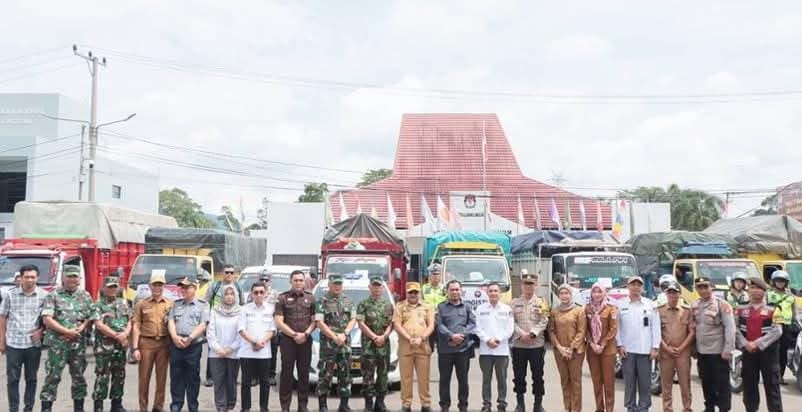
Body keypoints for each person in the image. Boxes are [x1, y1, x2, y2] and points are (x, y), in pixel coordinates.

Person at [39, 265, 97, 412]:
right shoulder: (53, 295)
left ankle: (79, 408)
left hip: (78, 344)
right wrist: (66, 331)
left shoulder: (85, 295)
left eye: (74, 277)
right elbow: (47, 319)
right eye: (69, 276)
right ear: (63, 278)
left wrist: (82, 327)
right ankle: (46, 408)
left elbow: (91, 316)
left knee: (78, 377)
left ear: (79, 279)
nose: (72, 279)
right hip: (58, 344)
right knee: (53, 377)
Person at [0, 264, 46, 412]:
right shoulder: (10, 295)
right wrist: (2, 340)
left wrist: (41, 331)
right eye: (26, 277)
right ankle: (13, 408)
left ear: (37, 278)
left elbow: (48, 318)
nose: (29, 280)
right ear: (21, 278)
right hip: (13, 344)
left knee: (31, 379)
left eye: (33, 277)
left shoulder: (44, 296)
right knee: (13, 379)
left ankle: (28, 408)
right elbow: (3, 317)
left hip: (33, 345)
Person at [735, 277, 784, 412]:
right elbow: (735, 328)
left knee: (772, 386)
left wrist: (757, 344)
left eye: (758, 288)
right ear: (748, 291)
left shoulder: (773, 308)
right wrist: (745, 344)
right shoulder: (740, 308)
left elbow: (777, 330)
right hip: (748, 353)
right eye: (752, 288)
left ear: (764, 291)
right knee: (749, 386)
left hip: (768, 354)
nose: (755, 291)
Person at [616, 276, 660, 412]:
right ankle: (630, 407)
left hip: (645, 350)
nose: (635, 287)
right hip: (627, 350)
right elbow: (617, 327)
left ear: (642, 287)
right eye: (632, 284)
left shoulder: (650, 304)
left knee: (645, 382)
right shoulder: (621, 305)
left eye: (638, 285)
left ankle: (644, 407)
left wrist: (655, 347)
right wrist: (620, 344)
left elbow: (656, 327)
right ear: (628, 286)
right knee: (629, 382)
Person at [274, 270, 316, 412]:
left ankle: (302, 406)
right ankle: (285, 407)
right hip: (288, 341)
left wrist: (305, 334)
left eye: (300, 280)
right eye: (295, 280)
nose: (298, 283)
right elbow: (279, 321)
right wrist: (294, 335)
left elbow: (315, 321)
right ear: (290, 281)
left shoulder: (311, 298)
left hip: (305, 340)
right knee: (287, 374)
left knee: (304, 374)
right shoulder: (282, 298)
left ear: (304, 282)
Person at [692, 276, 736, 412]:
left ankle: (723, 408)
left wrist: (728, 349)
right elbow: (693, 328)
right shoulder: (694, 305)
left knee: (722, 384)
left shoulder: (722, 304)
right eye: (700, 287)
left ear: (712, 287)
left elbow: (730, 328)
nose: (703, 290)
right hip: (702, 352)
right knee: (706, 382)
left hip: (718, 352)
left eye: (706, 287)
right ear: (696, 289)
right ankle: (709, 407)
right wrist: (693, 349)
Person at [314, 274, 356, 412]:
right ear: (329, 285)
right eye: (335, 284)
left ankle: (344, 404)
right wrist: (334, 336)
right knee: (325, 375)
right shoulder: (322, 301)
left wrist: (344, 334)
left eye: (339, 284)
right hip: (328, 345)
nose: (337, 286)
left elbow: (353, 320)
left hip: (344, 344)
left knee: (345, 375)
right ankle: (323, 405)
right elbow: (319, 322)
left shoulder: (348, 301)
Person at [132, 272, 173, 412]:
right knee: (144, 378)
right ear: (150, 286)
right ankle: (143, 407)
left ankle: (158, 407)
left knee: (161, 378)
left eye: (160, 285)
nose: (157, 287)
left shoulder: (170, 304)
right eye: (155, 285)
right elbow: (136, 325)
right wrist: (135, 347)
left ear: (164, 286)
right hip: (146, 344)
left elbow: (174, 324)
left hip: (163, 344)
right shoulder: (141, 304)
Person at [167, 277, 208, 412]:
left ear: (194, 288)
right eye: (182, 287)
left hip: (193, 346)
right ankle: (176, 405)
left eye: (187, 287)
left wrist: (190, 338)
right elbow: (171, 321)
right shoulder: (176, 304)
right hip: (176, 345)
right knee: (176, 376)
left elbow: (203, 324)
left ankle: (193, 406)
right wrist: (174, 337)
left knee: (192, 378)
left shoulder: (203, 305)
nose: (183, 290)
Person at [510, 271, 549, 412]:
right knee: (519, 376)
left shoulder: (542, 302)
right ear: (521, 286)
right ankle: (520, 404)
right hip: (519, 345)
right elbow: (510, 321)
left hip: (536, 346)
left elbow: (545, 320)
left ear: (536, 285)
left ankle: (538, 404)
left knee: (538, 376)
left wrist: (532, 334)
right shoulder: (514, 303)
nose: (528, 287)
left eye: (531, 284)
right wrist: (522, 334)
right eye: (526, 284)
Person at [92, 276, 132, 412]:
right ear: (104, 288)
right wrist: (117, 336)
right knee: (102, 376)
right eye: (110, 286)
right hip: (104, 347)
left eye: (115, 286)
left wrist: (125, 334)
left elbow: (131, 321)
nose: (112, 289)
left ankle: (116, 405)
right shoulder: (98, 305)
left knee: (119, 375)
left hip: (120, 347)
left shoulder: (124, 303)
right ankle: (98, 406)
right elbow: (99, 324)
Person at [435, 280, 476, 412]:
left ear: (461, 291)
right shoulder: (441, 307)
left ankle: (463, 406)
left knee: (463, 380)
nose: (455, 292)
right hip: (445, 350)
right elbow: (439, 325)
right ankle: (444, 406)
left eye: (457, 289)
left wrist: (460, 336)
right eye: (452, 290)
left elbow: (473, 324)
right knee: (444, 380)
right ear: (447, 291)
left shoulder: (467, 307)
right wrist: (451, 336)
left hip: (463, 349)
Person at [393, 282, 435, 412]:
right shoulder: (400, 307)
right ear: (407, 293)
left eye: (415, 292)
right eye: (410, 292)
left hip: (422, 346)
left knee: (424, 378)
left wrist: (421, 338)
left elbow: (431, 325)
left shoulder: (427, 306)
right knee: (406, 378)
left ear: (419, 293)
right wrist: (409, 338)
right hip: (406, 346)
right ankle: (406, 404)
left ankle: (426, 404)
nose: (413, 295)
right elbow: (397, 325)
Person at [356, 275, 395, 412]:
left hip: (384, 345)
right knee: (368, 375)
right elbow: (361, 323)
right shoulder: (363, 304)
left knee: (383, 375)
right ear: (370, 287)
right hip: (369, 346)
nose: (376, 288)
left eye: (379, 286)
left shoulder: (388, 305)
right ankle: (368, 404)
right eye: (374, 286)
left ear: (383, 288)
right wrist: (374, 337)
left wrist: (384, 336)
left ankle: (380, 403)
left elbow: (391, 323)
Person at [475, 282, 515, 412]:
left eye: (495, 291)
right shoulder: (480, 309)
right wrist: (487, 340)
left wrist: (497, 339)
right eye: (490, 291)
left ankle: (502, 403)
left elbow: (510, 329)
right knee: (486, 379)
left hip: (501, 351)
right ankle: (486, 404)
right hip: (485, 350)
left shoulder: (506, 310)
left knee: (502, 379)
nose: (493, 293)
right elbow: (477, 328)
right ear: (487, 293)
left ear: (500, 293)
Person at [238, 282, 277, 412]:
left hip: (264, 352)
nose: (259, 295)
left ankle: (264, 408)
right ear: (251, 294)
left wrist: (261, 343)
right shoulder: (244, 309)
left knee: (265, 382)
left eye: (261, 292)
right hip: (247, 351)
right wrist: (254, 342)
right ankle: (245, 408)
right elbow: (241, 330)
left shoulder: (271, 309)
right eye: (256, 292)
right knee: (246, 382)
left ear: (265, 293)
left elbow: (273, 330)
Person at [657, 281, 695, 412]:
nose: (672, 295)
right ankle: (667, 409)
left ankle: (687, 408)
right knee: (666, 384)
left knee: (685, 383)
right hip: (666, 352)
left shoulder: (686, 310)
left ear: (680, 294)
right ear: (666, 294)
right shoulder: (659, 310)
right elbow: (657, 333)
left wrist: (682, 348)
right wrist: (666, 348)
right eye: (670, 292)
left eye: (675, 292)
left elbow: (692, 332)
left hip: (682, 352)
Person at [548, 283, 586, 412]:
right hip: (560, 352)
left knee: (575, 382)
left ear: (571, 294)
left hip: (576, 352)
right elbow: (551, 331)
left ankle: (576, 409)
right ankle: (567, 408)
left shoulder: (579, 310)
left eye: (567, 293)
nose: (564, 296)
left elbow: (582, 331)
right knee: (564, 381)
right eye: (561, 293)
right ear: (558, 296)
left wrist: (570, 348)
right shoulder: (555, 311)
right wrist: (559, 347)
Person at [205, 264, 244, 388]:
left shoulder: (237, 286)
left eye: (232, 273)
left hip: (233, 319)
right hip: (216, 318)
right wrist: (207, 319)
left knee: (234, 350)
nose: (229, 275)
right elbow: (206, 302)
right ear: (222, 273)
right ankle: (210, 377)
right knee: (213, 349)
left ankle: (232, 377)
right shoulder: (215, 286)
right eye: (227, 272)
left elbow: (242, 303)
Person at [207, 285, 242, 412]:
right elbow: (210, 333)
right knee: (219, 382)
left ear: (236, 296)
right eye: (226, 294)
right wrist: (218, 349)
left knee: (231, 382)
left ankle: (230, 406)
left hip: (234, 353)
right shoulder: (215, 311)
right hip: (216, 354)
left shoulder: (240, 311)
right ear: (222, 296)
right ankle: (221, 407)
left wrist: (230, 349)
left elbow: (241, 334)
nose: (229, 296)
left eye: (232, 294)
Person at [585, 282, 618, 412]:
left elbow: (613, 329)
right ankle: (599, 408)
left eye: (600, 292)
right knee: (596, 381)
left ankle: (609, 409)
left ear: (604, 293)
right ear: (591, 294)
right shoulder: (587, 309)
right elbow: (585, 329)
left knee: (609, 382)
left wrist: (602, 344)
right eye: (594, 291)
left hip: (608, 350)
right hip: (592, 350)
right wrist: (592, 344)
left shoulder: (611, 308)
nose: (597, 294)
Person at [767, 270, 798, 384]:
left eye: (783, 281)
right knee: (771, 351)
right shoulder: (768, 294)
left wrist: (798, 323)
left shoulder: (791, 297)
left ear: (786, 283)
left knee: (783, 352)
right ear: (773, 282)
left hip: (786, 327)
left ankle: (780, 376)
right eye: (778, 281)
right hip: (773, 326)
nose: (780, 283)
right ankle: (770, 376)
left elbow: (795, 314)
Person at [260, 270, 281, 387]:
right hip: (257, 329)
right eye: (262, 279)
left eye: (266, 280)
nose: (264, 282)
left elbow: (279, 312)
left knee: (272, 353)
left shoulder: (275, 294)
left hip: (271, 329)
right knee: (256, 351)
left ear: (270, 281)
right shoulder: (255, 292)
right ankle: (255, 376)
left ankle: (271, 375)